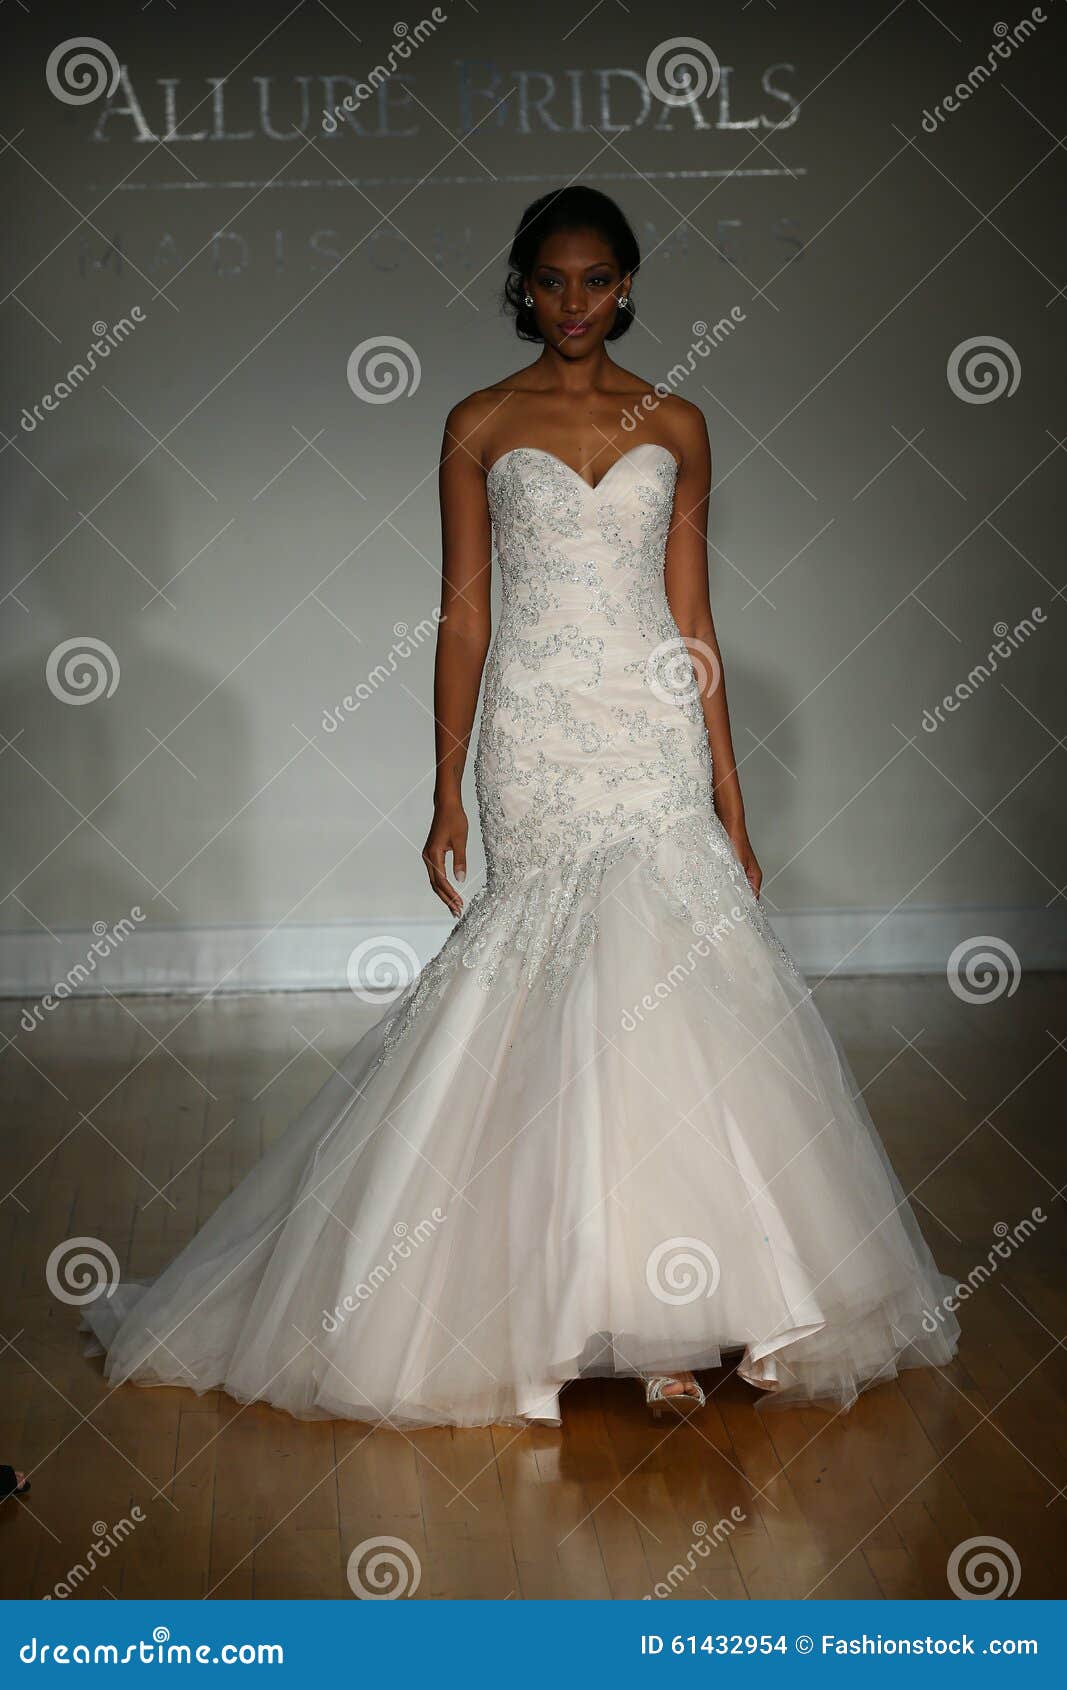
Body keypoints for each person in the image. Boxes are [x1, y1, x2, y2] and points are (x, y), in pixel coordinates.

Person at [82, 186, 960, 1428]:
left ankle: (704, 1308)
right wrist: (443, 782)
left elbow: (695, 622)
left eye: (595, 280)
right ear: (520, 287)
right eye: (550, 282)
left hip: (651, 721)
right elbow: (464, 613)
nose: (572, 304)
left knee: (681, 994)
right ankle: (585, 1310)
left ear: (627, 284)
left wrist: (731, 795)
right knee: (558, 996)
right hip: (537, 733)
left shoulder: (681, 422)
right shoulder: (477, 423)